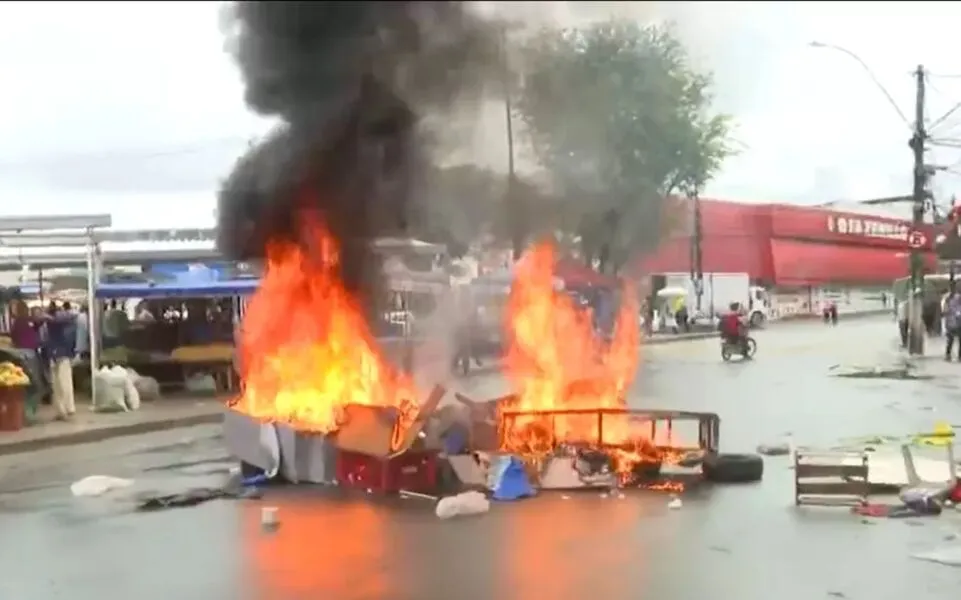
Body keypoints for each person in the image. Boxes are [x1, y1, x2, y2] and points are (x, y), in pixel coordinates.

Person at [44, 301, 78, 420]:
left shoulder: (53, 320)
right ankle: (67, 408)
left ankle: (63, 409)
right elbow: (72, 316)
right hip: (62, 353)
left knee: (59, 384)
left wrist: (50, 317)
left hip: (56, 353)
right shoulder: (63, 319)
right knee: (64, 382)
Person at [945, 290, 961, 360]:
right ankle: (958, 356)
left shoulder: (951, 302)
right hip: (954, 324)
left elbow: (947, 312)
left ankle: (948, 355)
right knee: (952, 340)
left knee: (950, 341)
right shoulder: (953, 303)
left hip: (952, 324)